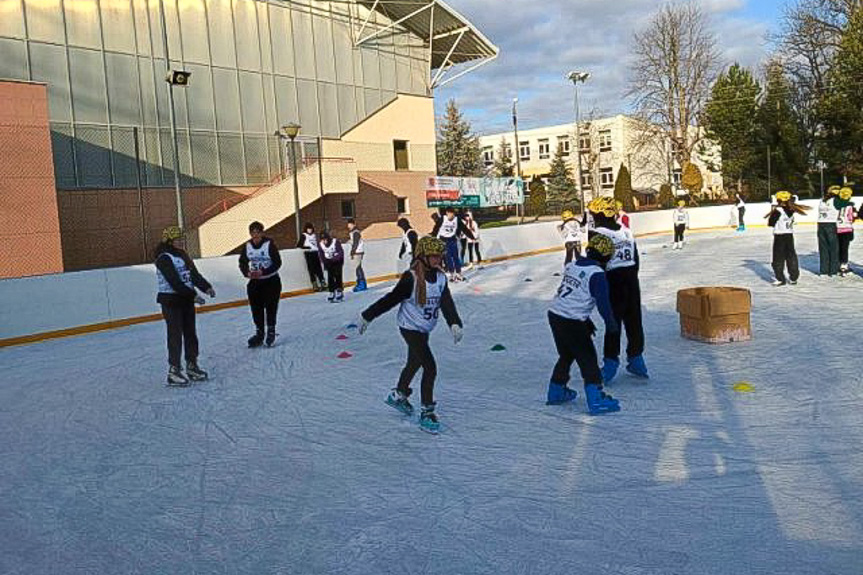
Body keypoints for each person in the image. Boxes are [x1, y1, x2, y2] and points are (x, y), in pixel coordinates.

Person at [358, 237, 463, 434]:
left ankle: (399, 394)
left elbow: (446, 303)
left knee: (414, 363)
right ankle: (427, 411)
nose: (438, 259)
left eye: (440, 256)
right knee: (430, 366)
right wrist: (368, 315)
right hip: (409, 327)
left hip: (424, 329)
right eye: (433, 256)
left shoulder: (440, 278)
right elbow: (391, 299)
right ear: (423, 256)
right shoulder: (411, 278)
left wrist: (454, 323)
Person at [546, 233, 621, 415]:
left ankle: (556, 390)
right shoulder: (597, 275)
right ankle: (596, 398)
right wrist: (612, 325)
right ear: (606, 257)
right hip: (571, 320)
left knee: (567, 354)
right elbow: (603, 304)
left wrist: (585, 320)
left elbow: (575, 295)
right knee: (588, 358)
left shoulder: (573, 265)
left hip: (555, 314)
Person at [587, 196, 648, 382]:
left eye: (594, 213)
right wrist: (632, 277)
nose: (592, 217)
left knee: (613, 323)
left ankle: (611, 363)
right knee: (634, 320)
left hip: (613, 280)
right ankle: (636, 358)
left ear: (601, 214)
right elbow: (636, 258)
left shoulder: (597, 233)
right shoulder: (627, 231)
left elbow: (596, 261)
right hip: (631, 279)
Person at [154, 226, 215, 385]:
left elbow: (192, 275)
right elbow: (174, 281)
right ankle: (174, 370)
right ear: (169, 240)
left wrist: (206, 287)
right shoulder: (163, 257)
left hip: (186, 300)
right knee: (175, 335)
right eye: (178, 239)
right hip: (171, 301)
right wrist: (193, 295)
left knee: (190, 333)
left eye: (182, 238)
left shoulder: (182, 254)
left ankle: (192, 365)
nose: (181, 241)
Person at [239, 221, 282, 348]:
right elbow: (242, 262)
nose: (255, 236)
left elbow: (277, 263)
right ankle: (259, 332)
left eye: (258, 233)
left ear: (262, 233)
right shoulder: (247, 246)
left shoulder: (269, 245)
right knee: (256, 308)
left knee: (270, 306)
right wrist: (246, 272)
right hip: (255, 282)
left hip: (271, 281)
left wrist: (263, 271)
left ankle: (271, 330)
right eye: (253, 233)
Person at [766, 191, 806, 286]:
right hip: (789, 235)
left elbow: (771, 223)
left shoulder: (778, 211)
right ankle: (793, 277)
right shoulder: (791, 209)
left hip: (780, 235)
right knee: (791, 256)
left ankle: (780, 278)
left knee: (778, 258)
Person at [433, 207, 473, 281]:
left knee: (455, 257)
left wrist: (472, 237)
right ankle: (452, 274)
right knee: (448, 257)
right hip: (443, 240)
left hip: (452, 239)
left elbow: (464, 229)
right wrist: (433, 237)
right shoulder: (442, 219)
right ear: (447, 213)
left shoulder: (457, 219)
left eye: (453, 214)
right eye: (450, 214)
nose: (451, 216)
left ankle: (459, 273)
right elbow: (436, 228)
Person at [817, 185, 841, 277]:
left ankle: (824, 270)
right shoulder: (836, 201)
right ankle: (833, 270)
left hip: (821, 224)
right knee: (833, 248)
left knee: (823, 248)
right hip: (830, 224)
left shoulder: (822, 200)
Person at [318, 230, 345, 302]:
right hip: (328, 262)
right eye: (322, 240)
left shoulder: (335, 242)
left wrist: (335, 259)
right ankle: (331, 291)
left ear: (328, 238)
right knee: (330, 277)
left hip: (338, 261)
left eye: (325, 239)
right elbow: (321, 255)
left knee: (338, 275)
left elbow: (341, 252)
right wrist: (325, 263)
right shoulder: (321, 245)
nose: (324, 241)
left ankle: (339, 290)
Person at [297, 223, 325, 291]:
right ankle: (314, 284)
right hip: (309, 253)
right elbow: (299, 245)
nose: (310, 230)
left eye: (311, 229)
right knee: (311, 269)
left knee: (319, 269)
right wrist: (307, 247)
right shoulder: (304, 235)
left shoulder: (314, 235)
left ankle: (323, 282)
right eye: (308, 229)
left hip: (315, 253)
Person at [836, 187, 856, 277]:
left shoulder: (837, 204)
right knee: (845, 248)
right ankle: (844, 265)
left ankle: (838, 263)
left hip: (837, 228)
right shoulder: (849, 206)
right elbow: (850, 218)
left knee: (839, 247)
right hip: (847, 228)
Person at [347, 218, 367, 292]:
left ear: (354, 224)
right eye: (348, 224)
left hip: (358, 252)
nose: (349, 226)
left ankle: (362, 283)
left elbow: (355, 243)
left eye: (351, 224)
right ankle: (360, 282)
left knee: (358, 268)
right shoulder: (353, 232)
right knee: (358, 268)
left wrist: (352, 252)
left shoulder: (355, 232)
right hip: (357, 251)